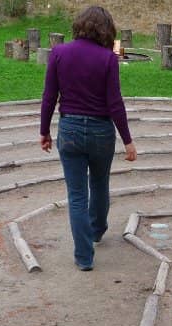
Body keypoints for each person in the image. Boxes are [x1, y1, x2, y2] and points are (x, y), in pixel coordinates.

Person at [40, 5, 137, 271]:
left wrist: (44, 130)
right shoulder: (108, 58)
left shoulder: (58, 53)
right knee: (99, 183)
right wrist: (127, 140)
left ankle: (84, 257)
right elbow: (115, 102)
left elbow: (50, 96)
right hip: (101, 132)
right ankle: (97, 230)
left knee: (77, 195)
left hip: (69, 130)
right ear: (106, 30)